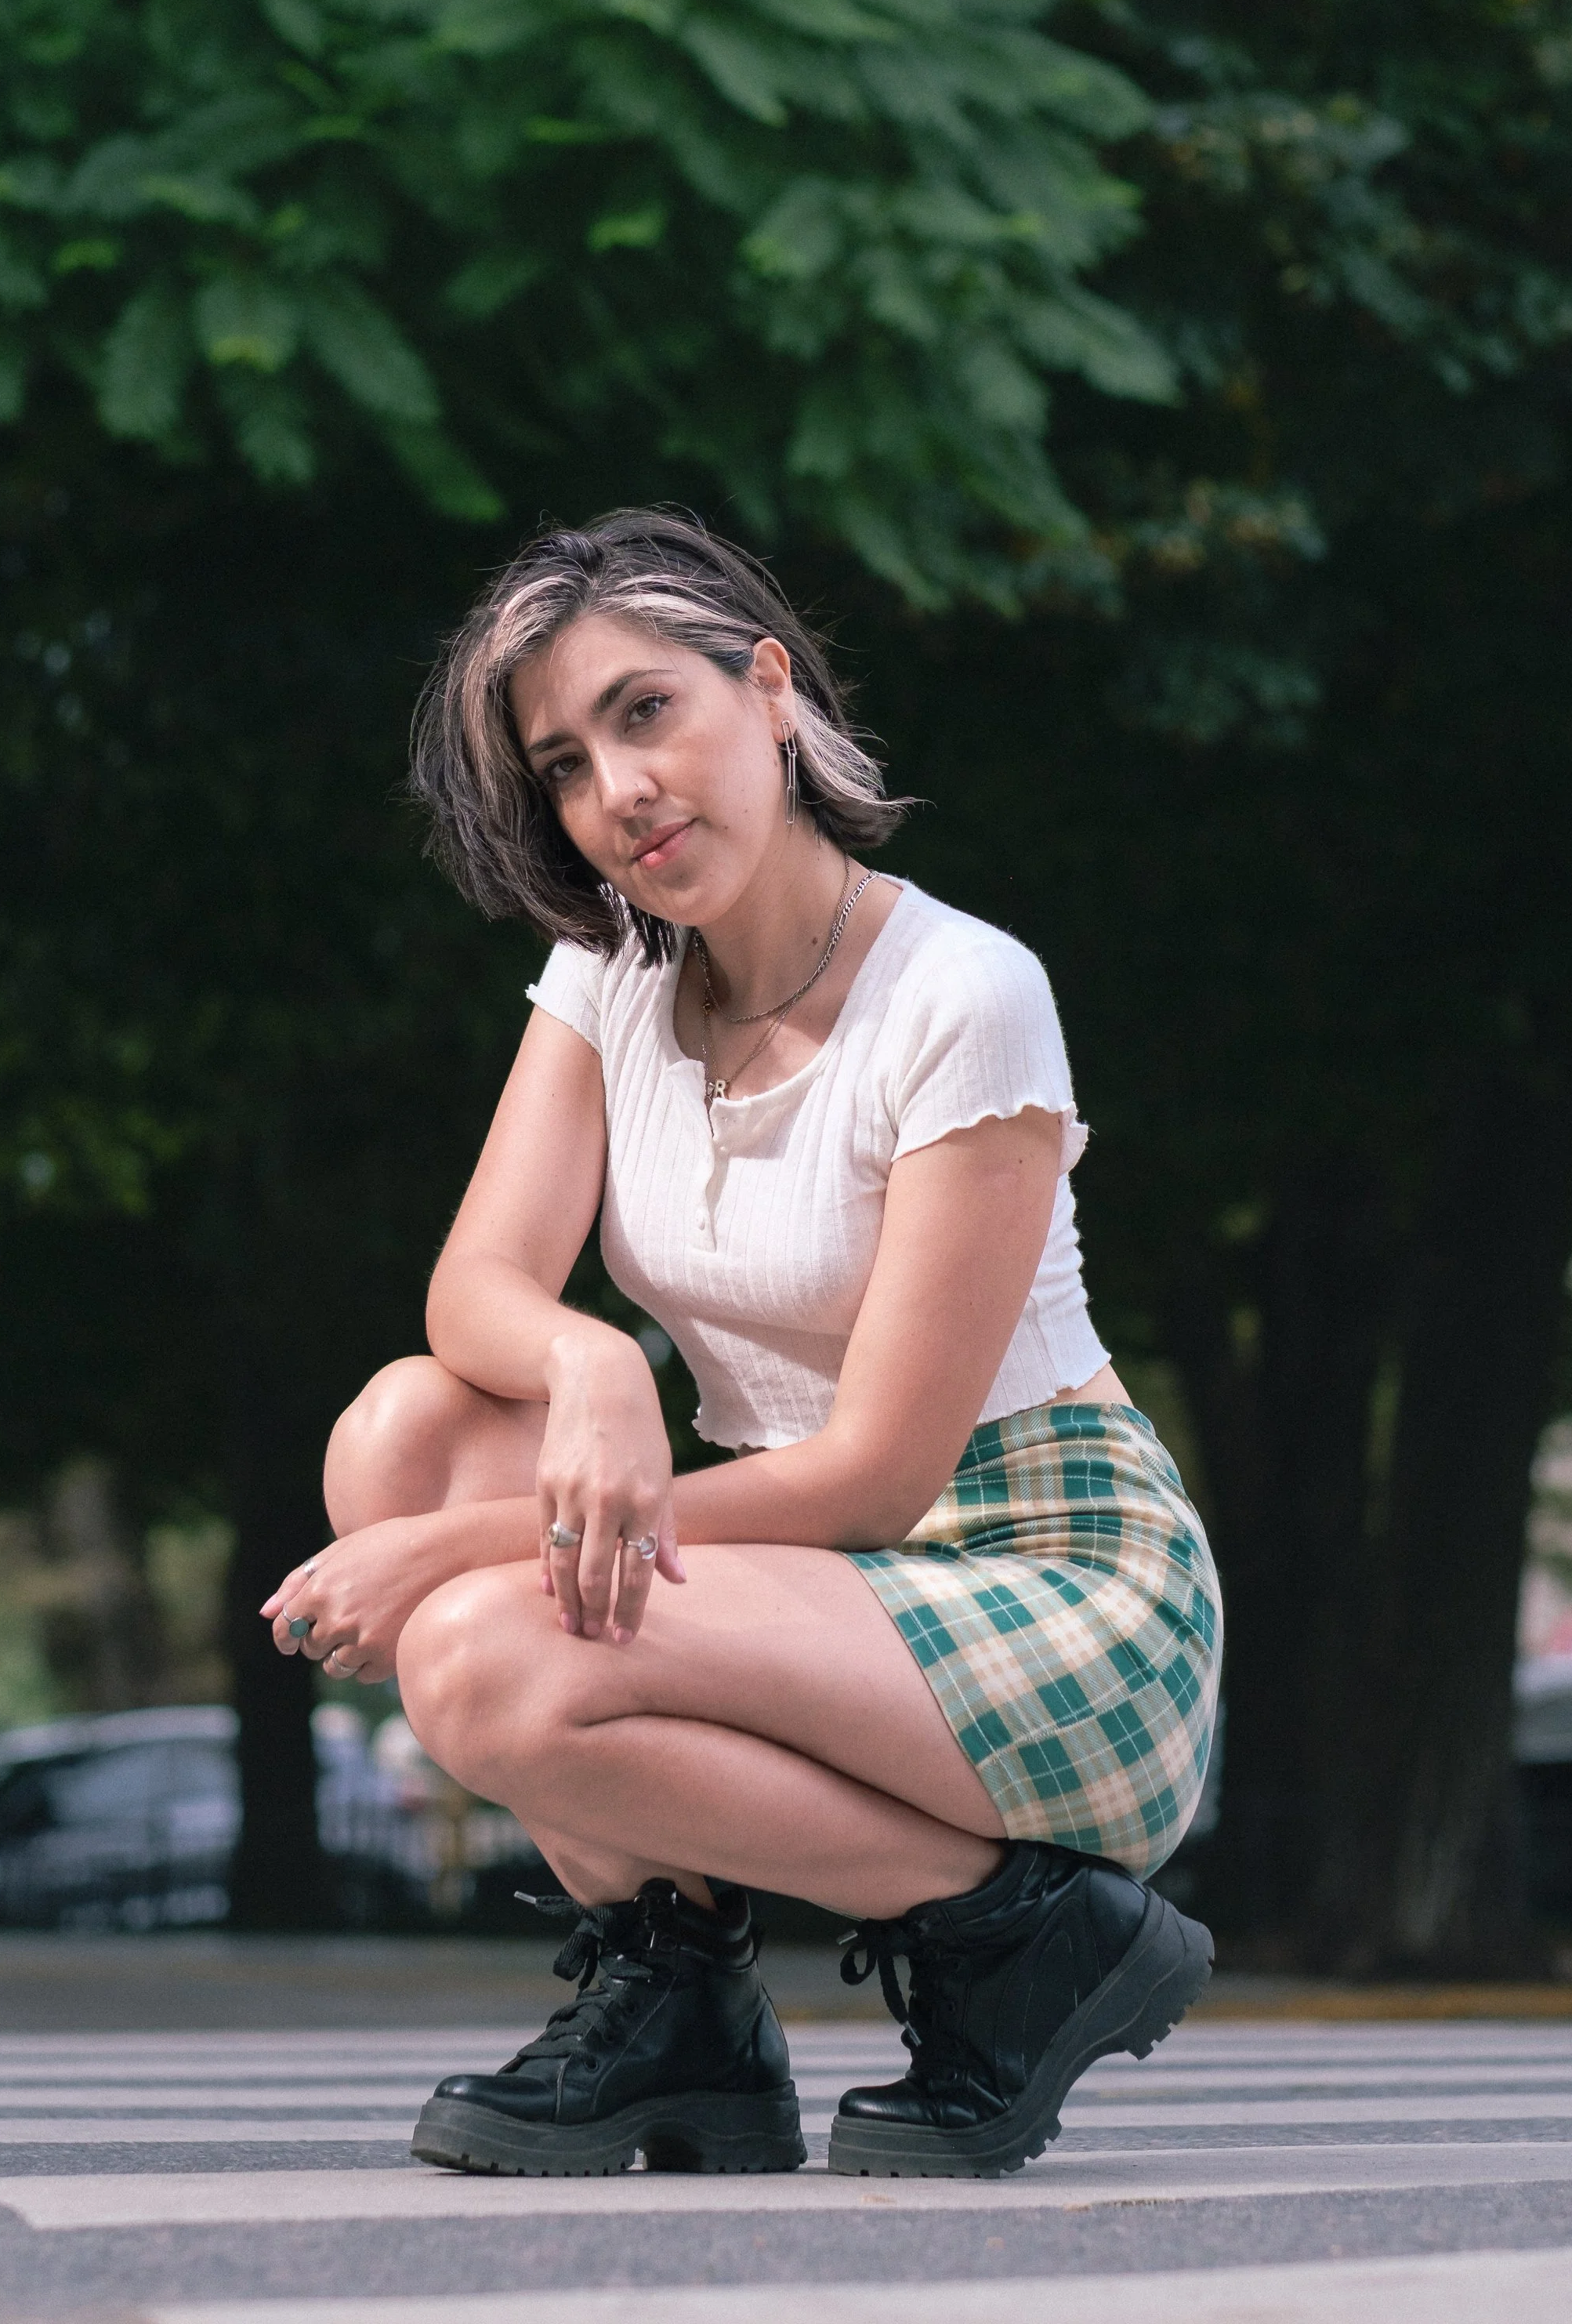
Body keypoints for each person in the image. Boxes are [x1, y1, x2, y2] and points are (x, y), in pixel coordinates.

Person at [263, 509, 1220, 2180]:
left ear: (767, 692)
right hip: (822, 1571)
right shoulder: (610, 980)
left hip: (1051, 1579)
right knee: (406, 1427)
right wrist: (598, 1368)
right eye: (564, 762)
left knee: (479, 1646)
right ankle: (684, 1998)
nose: (616, 792)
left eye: (647, 713)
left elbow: (877, 1476)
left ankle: (1023, 1929)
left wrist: (456, 1551)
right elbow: (478, 1283)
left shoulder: (963, 994)